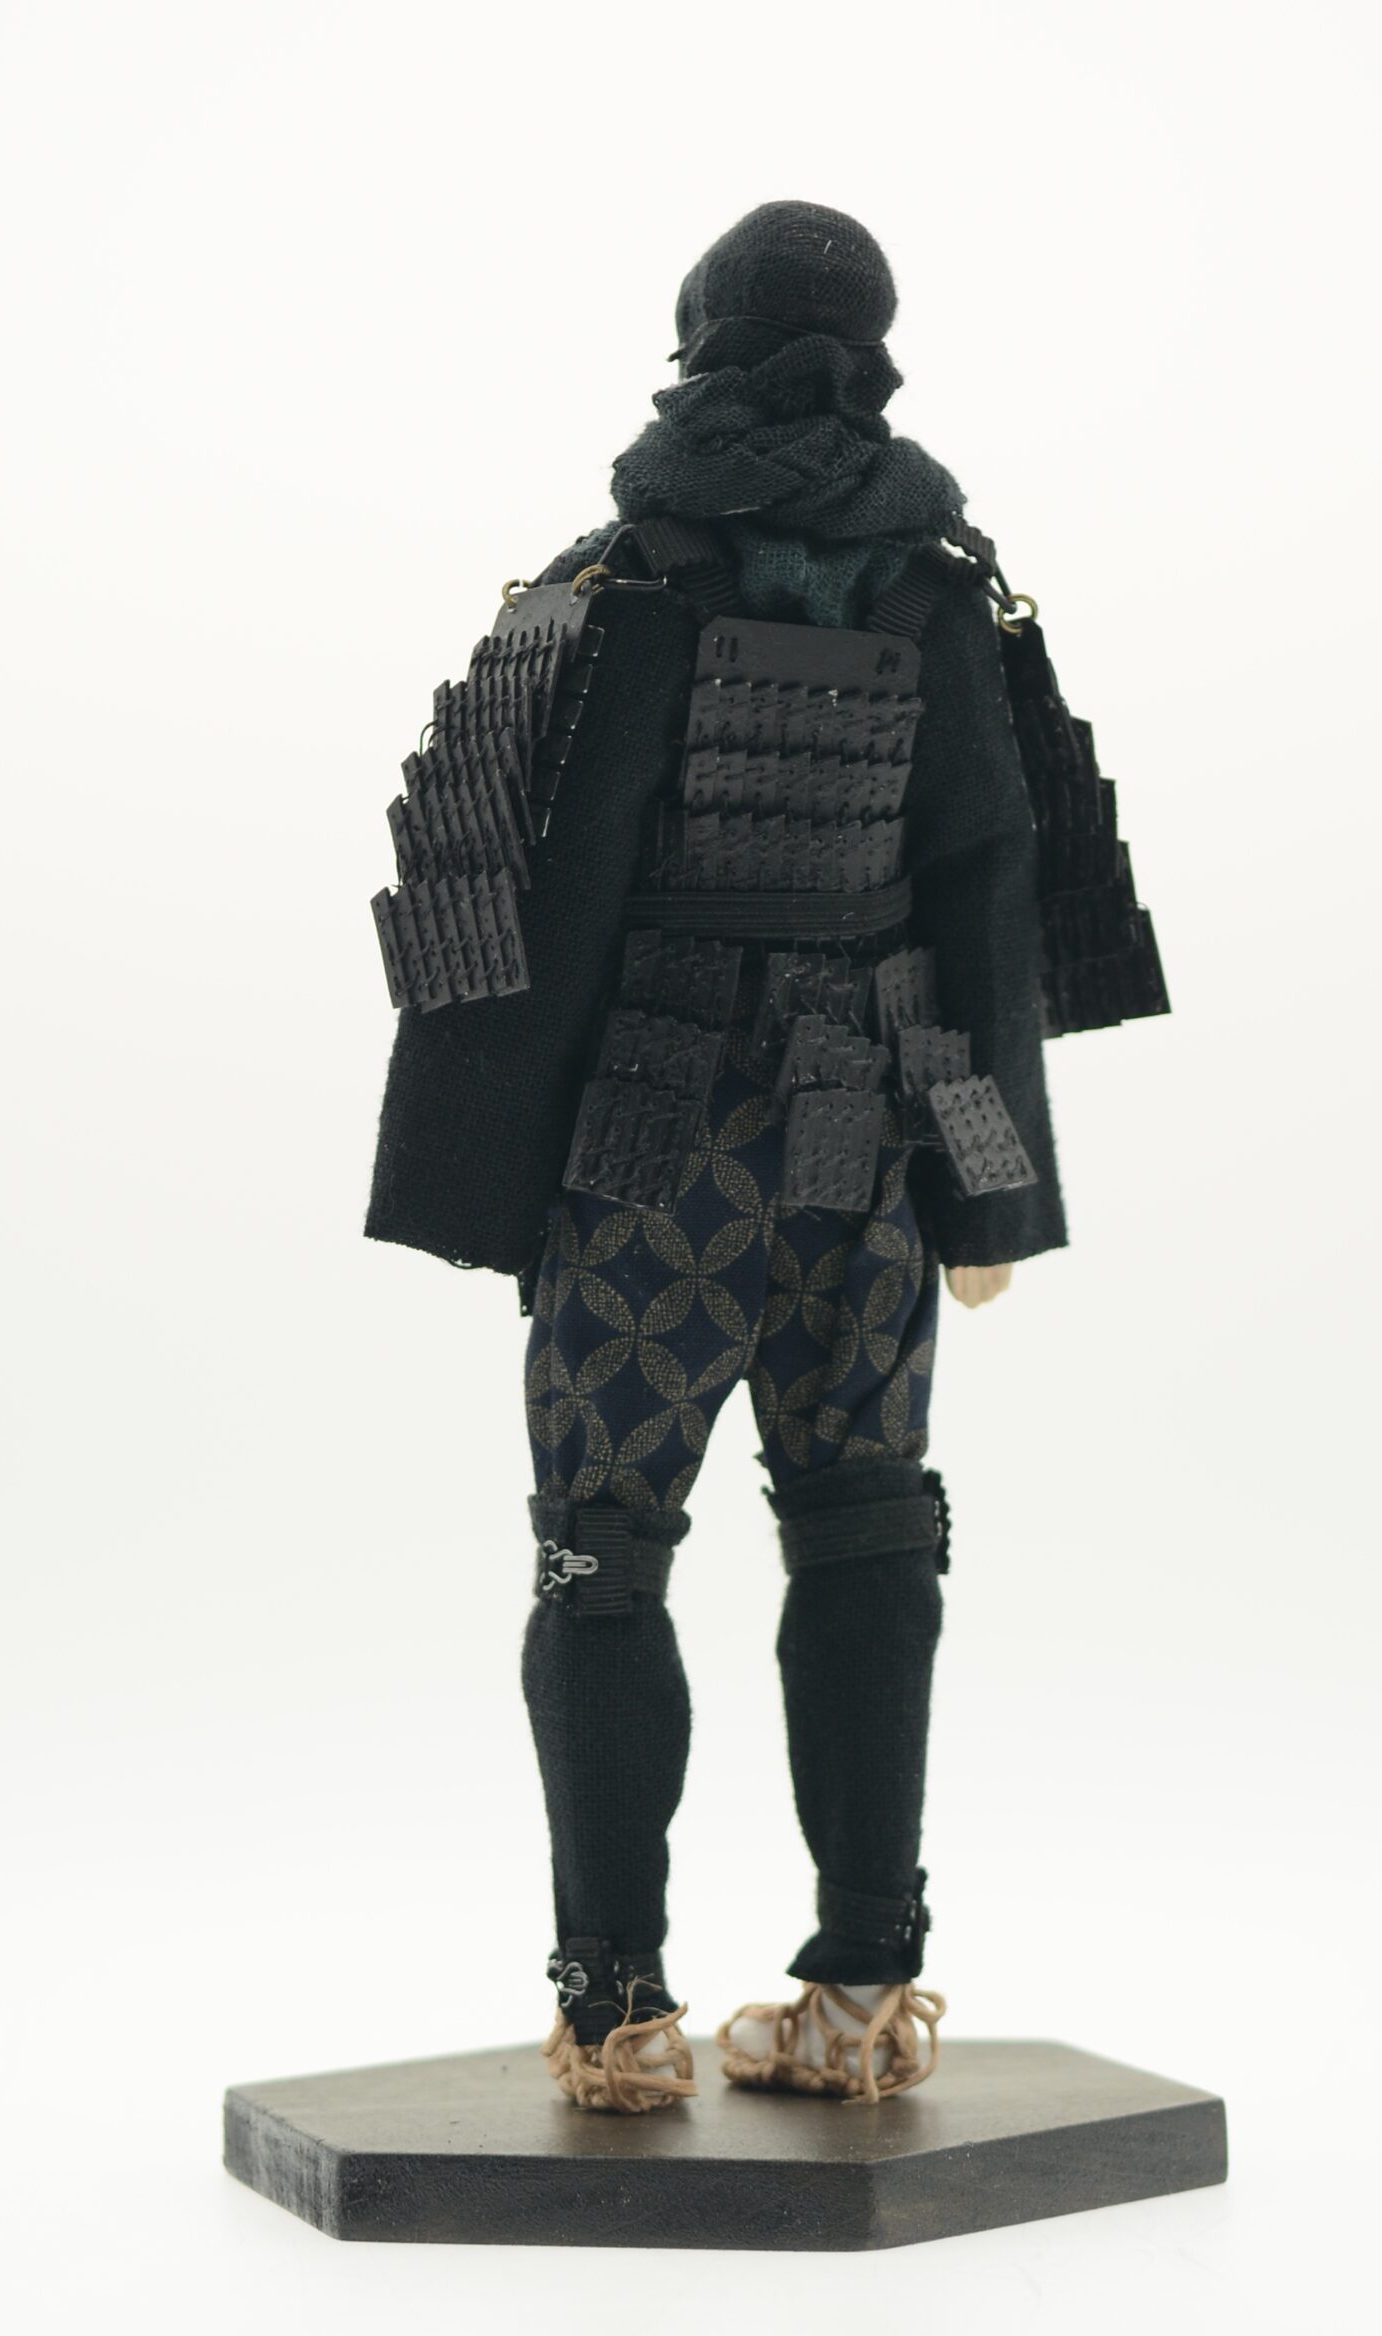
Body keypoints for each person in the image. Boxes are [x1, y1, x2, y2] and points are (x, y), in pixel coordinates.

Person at [364, 202, 1165, 2111]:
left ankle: (616, 2010)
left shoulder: (622, 583)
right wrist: (990, 1192)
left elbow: (548, 895)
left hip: (649, 1144)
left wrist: (491, 1178)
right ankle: (867, 1992)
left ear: (697, 342)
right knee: (870, 1522)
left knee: (603, 1548)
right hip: (871, 1139)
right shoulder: (942, 591)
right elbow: (985, 890)